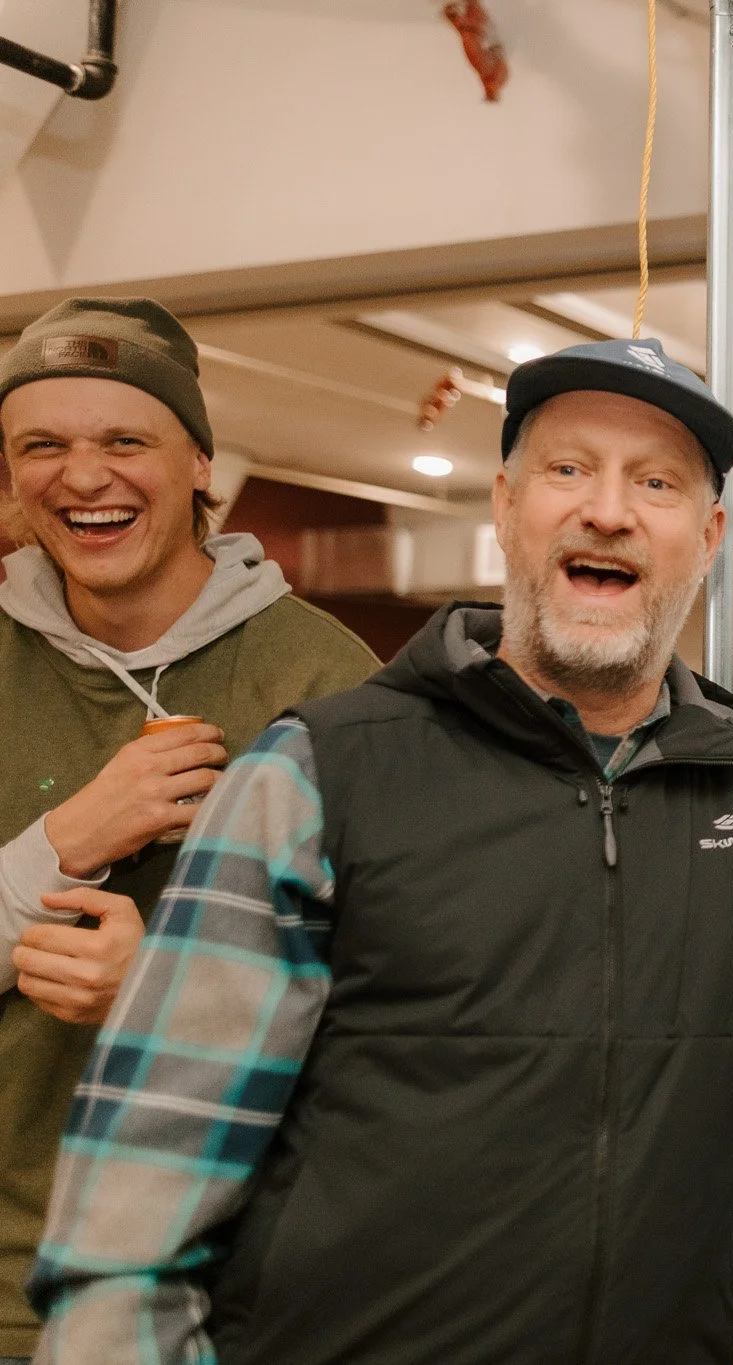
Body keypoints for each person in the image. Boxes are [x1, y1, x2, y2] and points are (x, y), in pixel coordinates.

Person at [29, 340, 733, 1364]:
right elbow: (138, 1196)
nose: (607, 509)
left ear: (706, 539)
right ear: (503, 505)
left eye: (654, 482)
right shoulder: (316, 773)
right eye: (567, 469)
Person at [0, 298, 379, 1365]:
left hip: (250, 1287)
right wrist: (59, 844)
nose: (83, 478)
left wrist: (164, 992)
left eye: (125, 440)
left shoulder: (333, 685)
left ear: (200, 462)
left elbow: (410, 1014)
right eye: (43, 445)